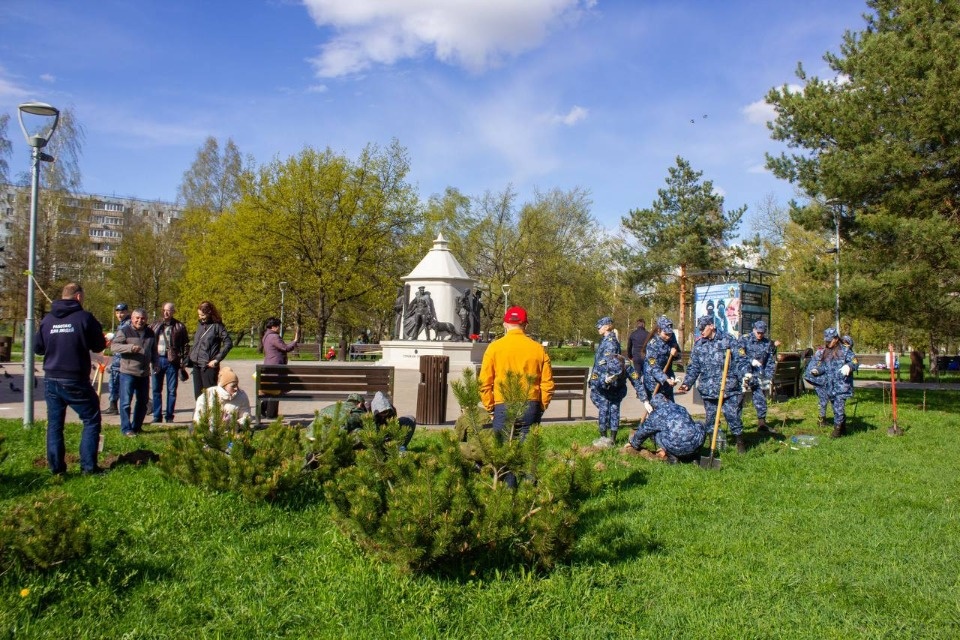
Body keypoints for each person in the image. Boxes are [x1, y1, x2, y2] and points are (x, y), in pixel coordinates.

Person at [35, 283, 108, 475]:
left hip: (51, 377)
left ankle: (57, 469)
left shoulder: (47, 320)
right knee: (91, 419)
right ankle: (88, 468)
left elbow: (38, 348)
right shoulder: (85, 318)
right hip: (74, 377)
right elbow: (99, 343)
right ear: (78, 297)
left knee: (55, 424)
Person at [478, 306, 555, 441]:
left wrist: (490, 408)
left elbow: (484, 382)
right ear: (525, 325)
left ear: (505, 325)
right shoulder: (538, 349)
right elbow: (547, 383)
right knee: (527, 453)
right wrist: (541, 406)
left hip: (502, 404)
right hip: (530, 404)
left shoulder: (494, 348)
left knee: (501, 453)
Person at [678, 315, 750, 454]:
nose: (701, 332)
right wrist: (687, 383)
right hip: (708, 389)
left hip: (728, 387)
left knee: (732, 415)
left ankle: (740, 443)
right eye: (699, 329)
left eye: (703, 328)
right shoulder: (699, 345)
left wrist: (745, 375)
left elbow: (740, 360)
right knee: (710, 419)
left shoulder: (728, 340)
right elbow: (694, 367)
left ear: (711, 326)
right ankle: (713, 447)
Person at [589, 316, 647, 446]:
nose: (598, 328)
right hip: (605, 379)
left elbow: (633, 378)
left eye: (601, 326)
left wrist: (645, 399)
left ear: (607, 326)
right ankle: (607, 436)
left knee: (610, 408)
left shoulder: (610, 343)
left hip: (612, 383)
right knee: (608, 408)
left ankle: (610, 439)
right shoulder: (606, 341)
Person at [110, 308, 158, 436]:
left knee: (142, 402)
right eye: (137, 318)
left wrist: (156, 363)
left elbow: (154, 351)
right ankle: (126, 429)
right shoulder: (125, 331)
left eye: (142, 318)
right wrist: (130, 348)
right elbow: (114, 346)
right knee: (125, 402)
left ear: (146, 320)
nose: (139, 321)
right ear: (132, 319)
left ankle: (137, 427)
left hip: (144, 373)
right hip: (128, 372)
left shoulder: (150, 333)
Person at [622, 393, 706, 463]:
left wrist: (633, 443)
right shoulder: (680, 407)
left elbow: (644, 431)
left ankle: (672, 457)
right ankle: (695, 456)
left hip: (675, 448)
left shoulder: (655, 415)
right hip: (696, 444)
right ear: (665, 399)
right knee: (700, 423)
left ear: (654, 406)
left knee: (656, 433)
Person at [806, 328, 856, 438]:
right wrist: (817, 371)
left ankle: (836, 431)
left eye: (830, 341)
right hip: (830, 385)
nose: (828, 343)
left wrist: (849, 366)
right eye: (826, 341)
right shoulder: (827, 352)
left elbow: (855, 362)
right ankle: (842, 427)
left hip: (842, 385)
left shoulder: (845, 351)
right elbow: (824, 367)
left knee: (838, 407)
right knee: (835, 408)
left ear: (836, 339)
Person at [150, 302, 189, 424]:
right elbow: (149, 342)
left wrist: (184, 361)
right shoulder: (155, 325)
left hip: (172, 361)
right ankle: (157, 416)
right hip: (157, 359)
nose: (166, 312)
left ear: (173, 312)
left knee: (171, 390)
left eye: (169, 310)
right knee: (156, 389)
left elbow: (186, 345)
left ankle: (169, 416)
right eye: (165, 310)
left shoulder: (179, 327)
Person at [187, 301, 233, 399]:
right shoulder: (200, 325)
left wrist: (216, 359)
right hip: (196, 364)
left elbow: (228, 343)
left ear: (209, 313)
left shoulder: (218, 326)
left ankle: (211, 414)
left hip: (208, 366)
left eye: (202, 315)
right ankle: (199, 414)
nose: (200, 317)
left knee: (210, 396)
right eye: (199, 315)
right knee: (198, 397)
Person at [740, 320, 777, 433]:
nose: (760, 335)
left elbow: (770, 361)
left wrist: (769, 376)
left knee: (760, 398)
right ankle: (737, 424)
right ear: (754, 329)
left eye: (762, 332)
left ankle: (761, 423)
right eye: (758, 332)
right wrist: (751, 361)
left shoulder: (767, 343)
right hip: (744, 373)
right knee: (738, 398)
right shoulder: (744, 339)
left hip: (758, 374)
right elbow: (739, 355)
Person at [260, 316, 299, 419]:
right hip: (276, 366)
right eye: (278, 326)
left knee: (271, 389)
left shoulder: (266, 335)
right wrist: (295, 341)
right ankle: (271, 414)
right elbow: (285, 348)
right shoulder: (274, 337)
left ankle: (264, 408)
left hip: (269, 364)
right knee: (276, 390)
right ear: (273, 327)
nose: (279, 328)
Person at [192, 365, 252, 432]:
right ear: (224, 385)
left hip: (232, 433)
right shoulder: (208, 395)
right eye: (233, 386)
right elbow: (198, 418)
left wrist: (234, 423)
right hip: (210, 433)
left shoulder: (241, 396)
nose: (236, 388)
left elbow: (246, 417)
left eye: (237, 385)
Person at [643, 315, 681, 402]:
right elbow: (653, 367)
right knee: (657, 410)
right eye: (666, 334)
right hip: (653, 382)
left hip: (668, 379)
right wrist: (665, 378)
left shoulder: (672, 339)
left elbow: (678, 356)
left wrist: (675, 354)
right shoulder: (652, 345)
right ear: (659, 331)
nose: (668, 336)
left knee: (670, 408)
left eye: (670, 334)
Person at [103, 302, 131, 415]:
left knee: (119, 384)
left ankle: (147, 403)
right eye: (118, 312)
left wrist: (113, 338)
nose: (120, 314)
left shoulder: (128, 324)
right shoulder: (122, 324)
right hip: (118, 358)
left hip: (122, 359)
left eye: (122, 312)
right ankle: (113, 406)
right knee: (116, 383)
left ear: (127, 312)